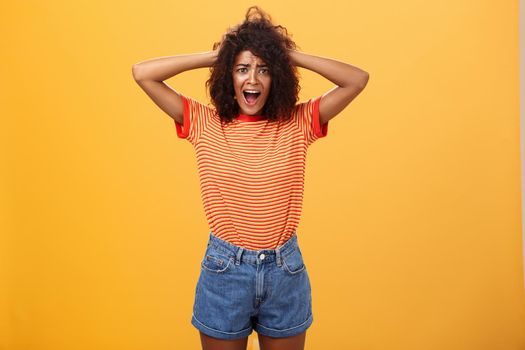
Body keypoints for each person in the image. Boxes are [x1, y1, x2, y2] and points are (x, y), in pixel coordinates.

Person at [132, 6, 369, 350]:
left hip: (284, 271)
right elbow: (143, 73)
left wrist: (286, 54)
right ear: (228, 76)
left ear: (278, 77)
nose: (253, 80)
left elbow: (356, 79)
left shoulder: (298, 123)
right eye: (242, 69)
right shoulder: (204, 122)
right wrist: (219, 54)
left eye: (264, 70)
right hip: (225, 270)